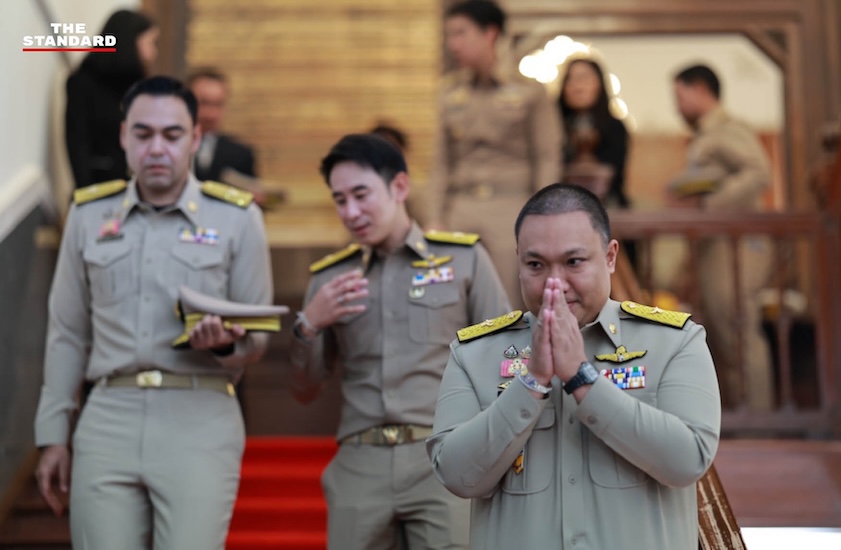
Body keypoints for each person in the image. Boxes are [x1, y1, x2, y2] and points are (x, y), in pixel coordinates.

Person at [34, 76, 273, 550]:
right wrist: (53, 434)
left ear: (195, 139)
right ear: (124, 137)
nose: (157, 148)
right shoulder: (87, 216)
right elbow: (67, 332)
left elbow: (259, 335)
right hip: (108, 415)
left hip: (199, 414)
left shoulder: (238, 217)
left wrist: (224, 342)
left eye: (172, 135)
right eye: (143, 135)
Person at [427, 183, 721, 550]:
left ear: (610, 257)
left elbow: (688, 460)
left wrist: (583, 379)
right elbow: (456, 476)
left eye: (573, 262)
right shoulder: (474, 353)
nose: (555, 283)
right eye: (535, 265)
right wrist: (531, 382)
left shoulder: (675, 342)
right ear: (518, 260)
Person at [289, 133, 510, 550]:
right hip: (360, 462)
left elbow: (503, 361)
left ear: (399, 187)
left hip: (443, 455)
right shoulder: (329, 281)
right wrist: (309, 326)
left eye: (361, 194)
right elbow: (305, 389)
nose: (351, 212)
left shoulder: (464, 260)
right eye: (340, 200)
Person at [430, 0, 561, 309]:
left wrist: (544, 218)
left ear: (490, 34)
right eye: (449, 35)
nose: (453, 45)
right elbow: (440, 163)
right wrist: (435, 218)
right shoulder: (449, 94)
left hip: (512, 210)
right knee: (450, 307)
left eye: (461, 34)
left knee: (509, 307)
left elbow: (546, 158)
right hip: (459, 209)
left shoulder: (530, 92)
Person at [669, 63, 775, 410]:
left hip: (740, 243)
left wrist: (710, 203)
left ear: (700, 89)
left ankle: (759, 425)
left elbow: (759, 171)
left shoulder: (727, 129)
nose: (677, 106)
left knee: (738, 329)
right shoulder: (703, 135)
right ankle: (739, 414)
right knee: (723, 332)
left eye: (679, 95)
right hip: (718, 245)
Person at [65, 9, 158, 188]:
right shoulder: (83, 82)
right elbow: (77, 145)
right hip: (101, 189)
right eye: (151, 43)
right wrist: (87, 197)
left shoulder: (140, 86)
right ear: (130, 43)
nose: (154, 52)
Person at [558, 57, 630, 209]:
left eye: (583, 78)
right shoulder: (553, 127)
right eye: (570, 79)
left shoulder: (614, 127)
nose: (577, 87)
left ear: (599, 84)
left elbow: (616, 176)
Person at [188, 67, 257, 183]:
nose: (210, 114)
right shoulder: (168, 148)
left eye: (218, 104)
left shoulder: (241, 155)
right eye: (204, 103)